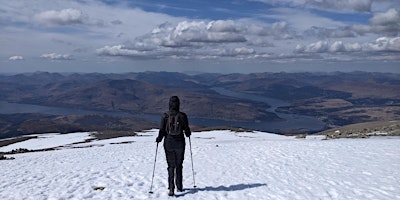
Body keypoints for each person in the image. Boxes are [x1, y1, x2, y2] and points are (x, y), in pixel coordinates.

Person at [156, 96, 191, 196]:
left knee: (171, 166)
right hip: (180, 143)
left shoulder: (165, 115)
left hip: (168, 142)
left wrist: (159, 139)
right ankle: (179, 187)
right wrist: (188, 134)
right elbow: (187, 131)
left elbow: (162, 130)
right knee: (179, 165)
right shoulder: (182, 116)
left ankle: (171, 188)